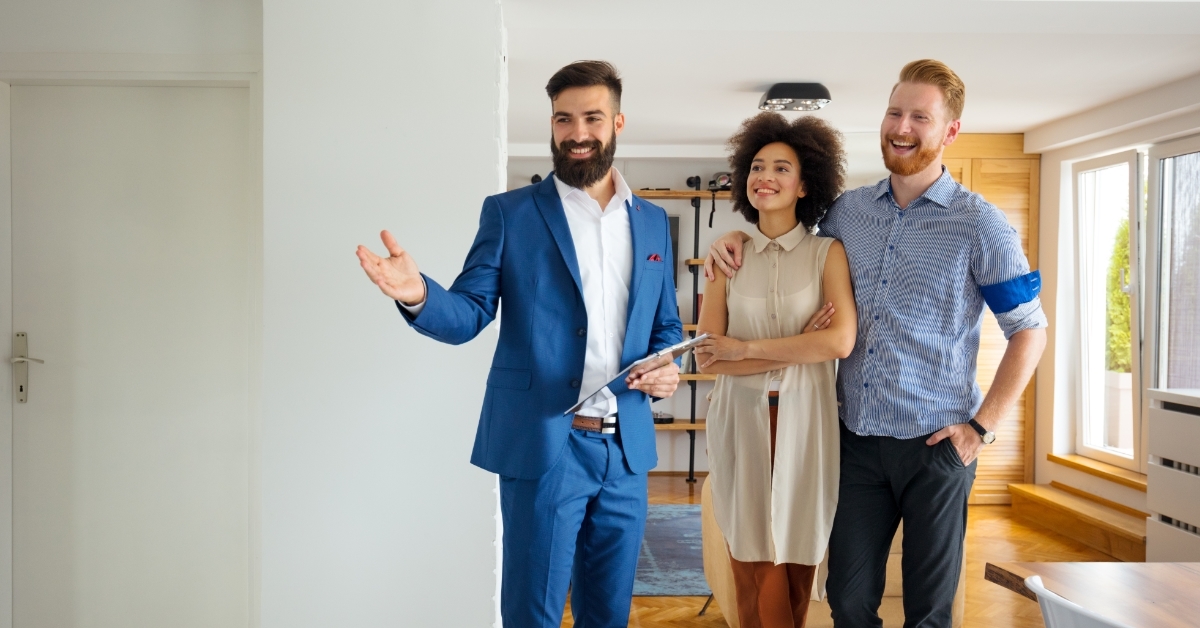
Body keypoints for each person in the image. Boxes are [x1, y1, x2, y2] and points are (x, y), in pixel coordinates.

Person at [705, 59, 1048, 628]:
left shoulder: (982, 225)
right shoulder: (849, 213)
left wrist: (980, 427)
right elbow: (784, 244)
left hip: (936, 445)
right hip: (855, 441)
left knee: (929, 610)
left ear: (950, 131)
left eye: (920, 116)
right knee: (850, 601)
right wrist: (733, 239)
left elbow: (1029, 330)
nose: (902, 126)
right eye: (895, 112)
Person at [356, 60, 683, 628]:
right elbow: (469, 312)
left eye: (592, 118)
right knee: (532, 613)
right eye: (563, 119)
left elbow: (667, 329)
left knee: (609, 615)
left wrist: (668, 368)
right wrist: (417, 294)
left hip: (627, 451)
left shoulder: (652, 222)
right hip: (547, 446)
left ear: (619, 122)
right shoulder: (510, 214)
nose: (576, 133)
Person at [693, 113, 856, 628]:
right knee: (750, 547)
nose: (765, 176)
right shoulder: (724, 258)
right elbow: (707, 354)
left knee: (796, 545)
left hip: (805, 420)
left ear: (805, 184)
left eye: (781, 168)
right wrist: (798, 344)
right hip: (740, 418)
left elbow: (839, 341)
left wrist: (745, 351)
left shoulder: (827, 254)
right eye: (757, 166)